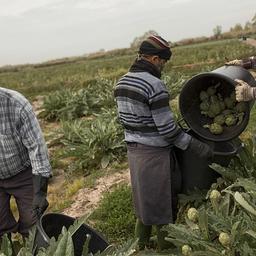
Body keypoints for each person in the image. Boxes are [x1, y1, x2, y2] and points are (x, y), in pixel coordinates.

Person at [114, 35, 213, 251]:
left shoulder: (122, 81)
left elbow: (126, 120)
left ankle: (138, 246)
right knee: (162, 205)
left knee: (143, 201)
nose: (164, 66)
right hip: (155, 156)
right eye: (164, 62)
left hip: (134, 152)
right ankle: (166, 248)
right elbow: (168, 131)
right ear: (155, 59)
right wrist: (197, 147)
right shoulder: (154, 85)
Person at [0, 87, 52, 242]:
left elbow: (37, 148)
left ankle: (34, 249)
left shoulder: (16, 104)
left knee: (33, 222)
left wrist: (40, 192)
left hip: (23, 174)